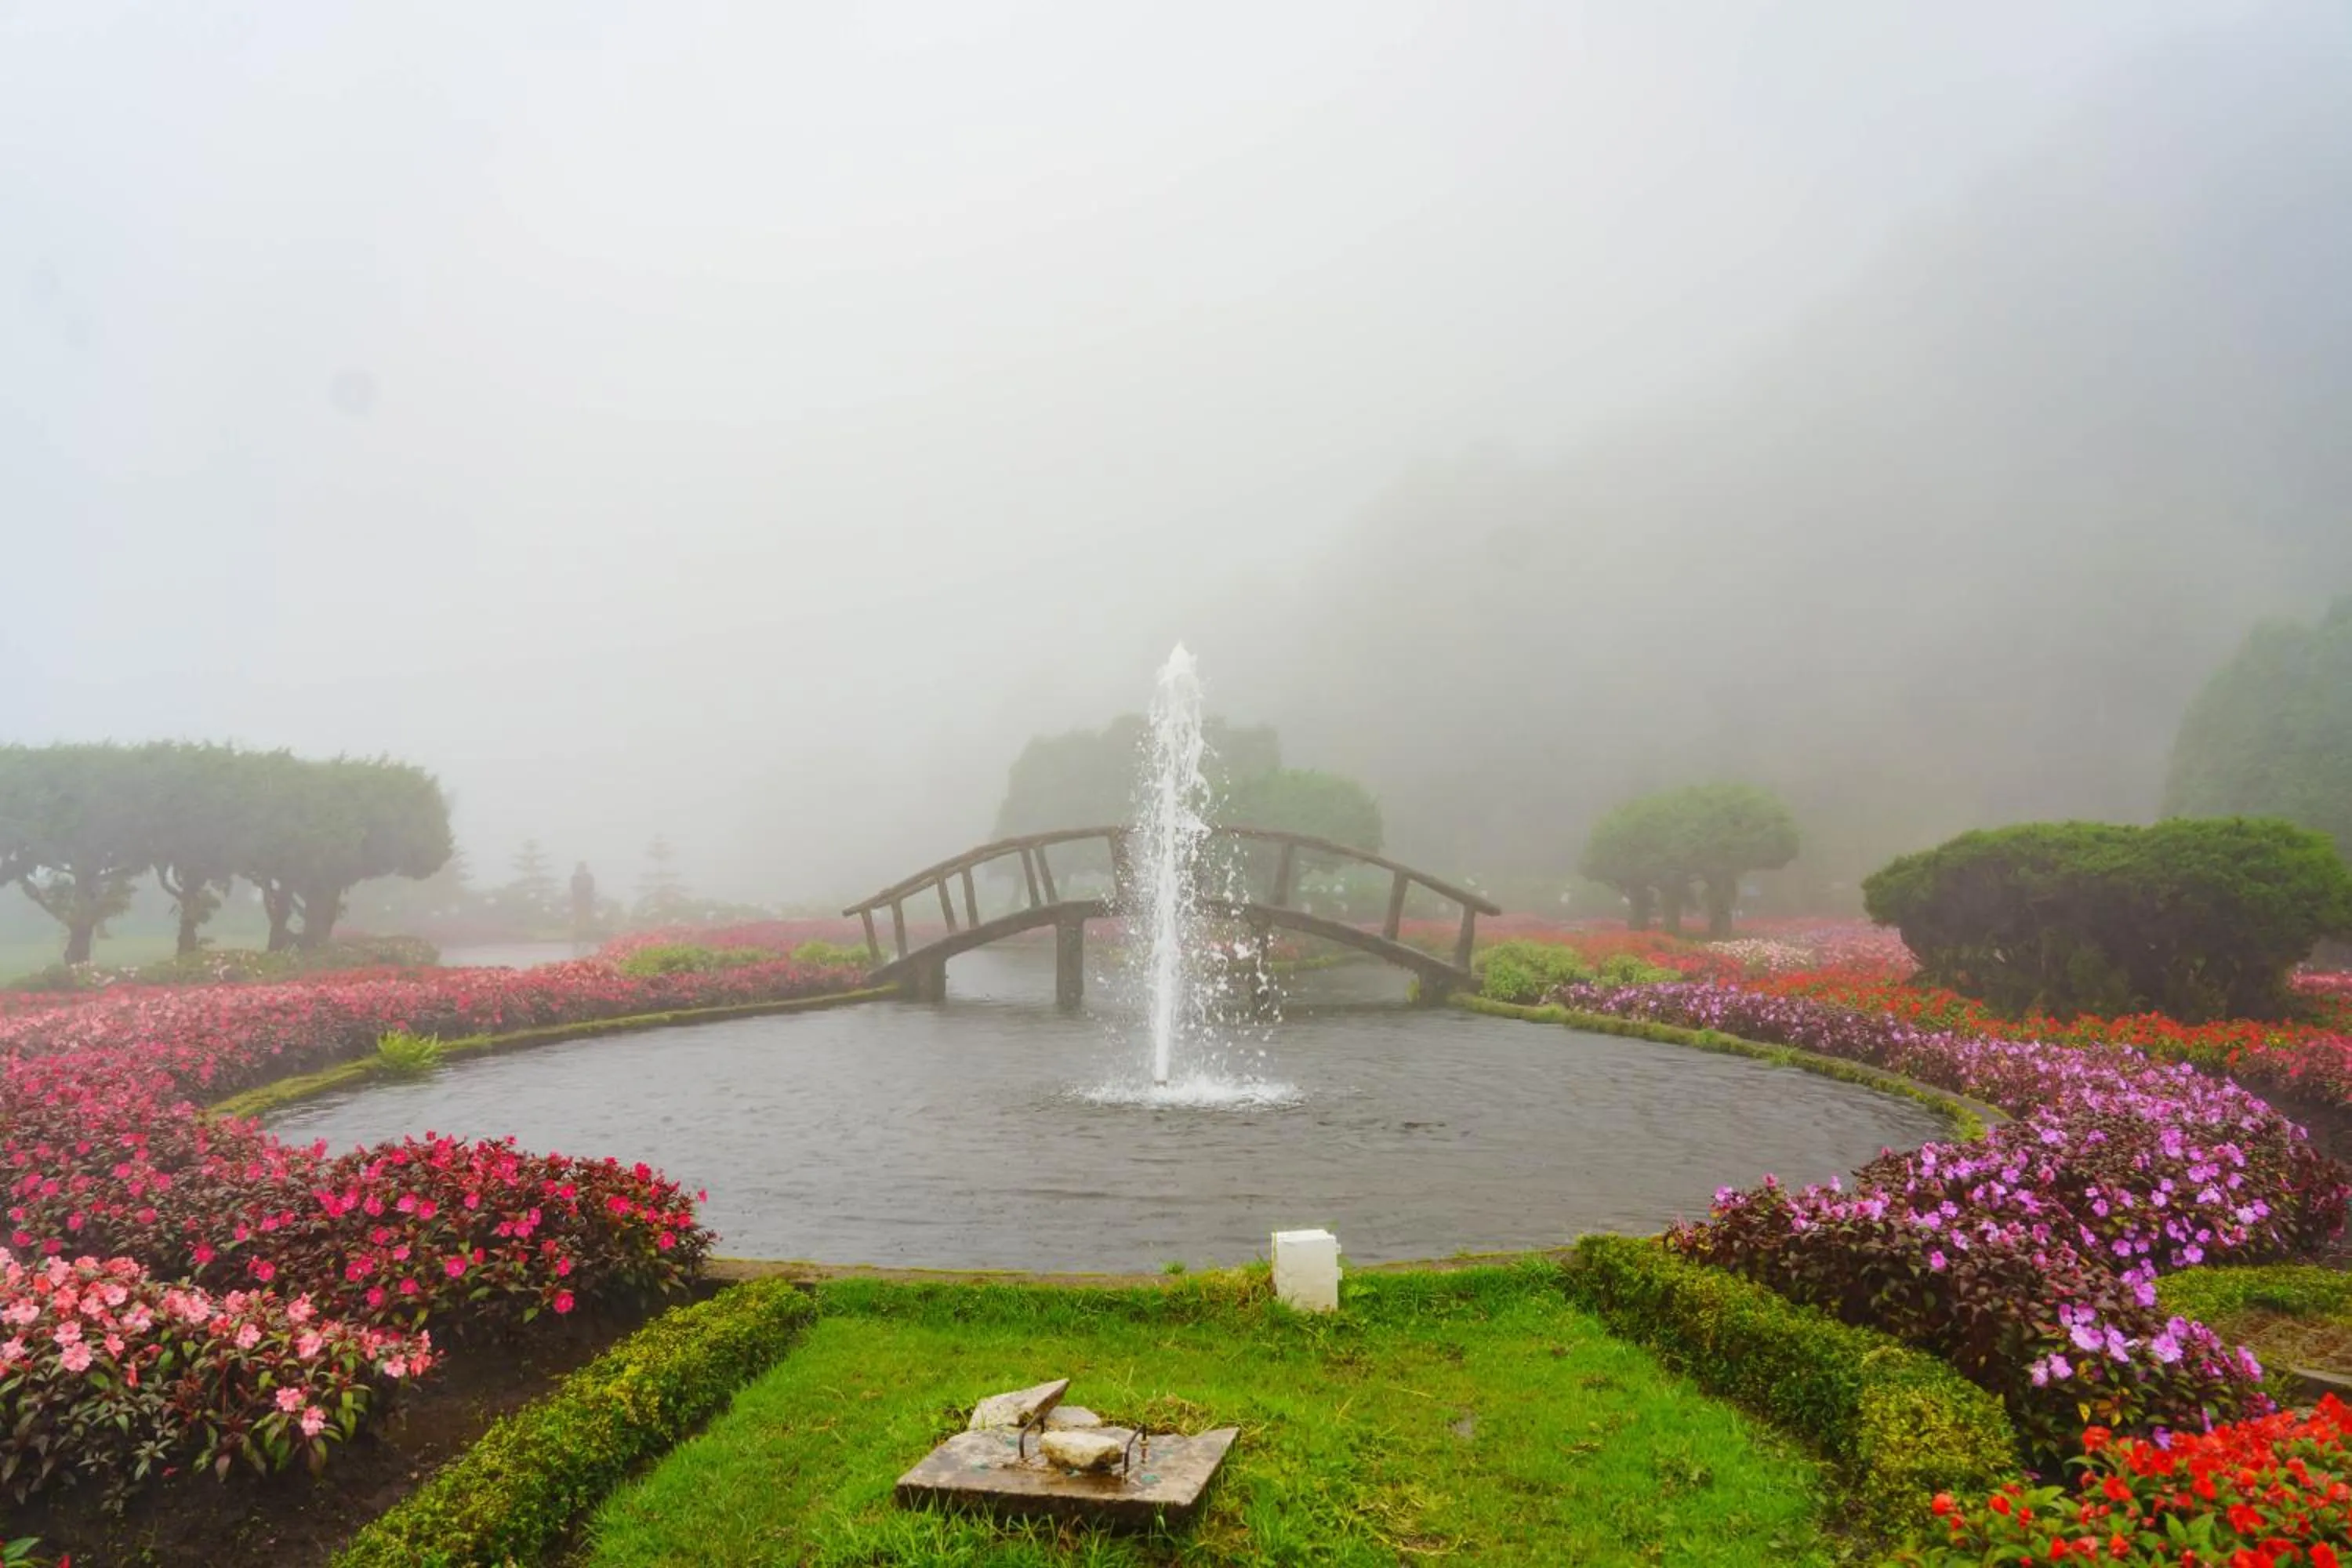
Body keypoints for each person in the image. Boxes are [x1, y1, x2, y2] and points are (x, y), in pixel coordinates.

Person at [570, 862, 597, 938]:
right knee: (577, 918)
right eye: (580, 868)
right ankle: (577, 934)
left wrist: (584, 891)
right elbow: (573, 888)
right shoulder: (574, 878)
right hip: (577, 901)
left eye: (583, 868)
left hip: (587, 901)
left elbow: (591, 887)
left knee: (587, 917)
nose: (581, 870)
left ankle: (587, 934)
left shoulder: (589, 877)